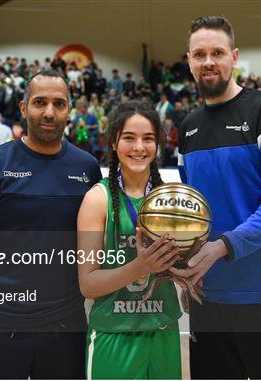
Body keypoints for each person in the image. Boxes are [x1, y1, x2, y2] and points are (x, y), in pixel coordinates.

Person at [173, 16, 261, 379]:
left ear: (234, 57)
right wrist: (189, 271)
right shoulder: (187, 129)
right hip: (211, 297)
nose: (208, 62)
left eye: (217, 52)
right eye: (199, 54)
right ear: (188, 61)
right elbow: (193, 215)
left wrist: (222, 247)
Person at [0, 69, 101, 379]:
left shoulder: (87, 168)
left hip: (66, 329)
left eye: (59, 104)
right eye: (39, 102)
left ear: (69, 110)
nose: (49, 112)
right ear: (23, 107)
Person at [77, 101, 182, 379]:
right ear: (113, 142)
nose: (139, 147)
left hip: (163, 329)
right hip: (115, 333)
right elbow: (87, 284)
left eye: (148, 139)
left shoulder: (171, 199)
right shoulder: (97, 200)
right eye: (129, 138)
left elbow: (179, 266)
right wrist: (140, 266)